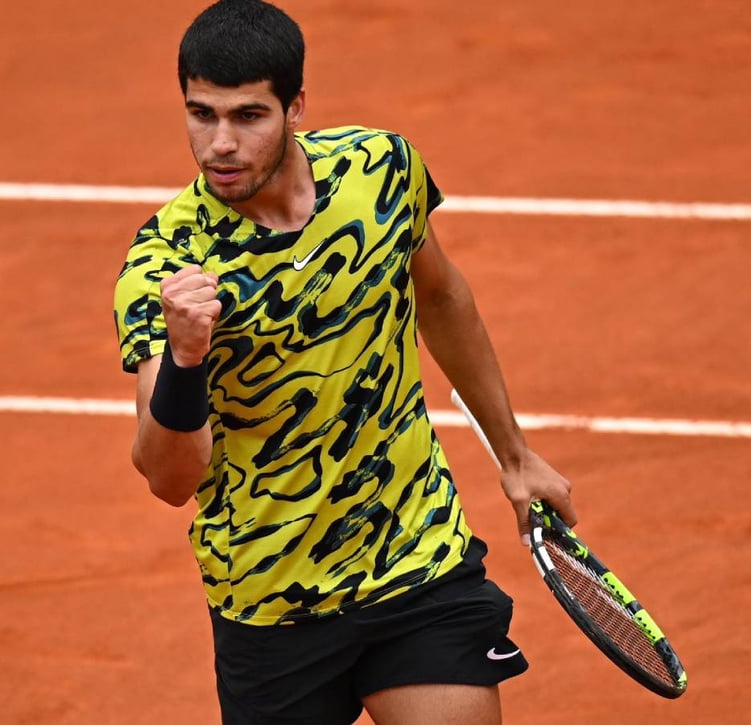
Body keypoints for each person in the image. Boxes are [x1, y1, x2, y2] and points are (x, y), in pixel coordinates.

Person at [112, 1, 577, 722]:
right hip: (272, 600)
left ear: (296, 106)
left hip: (415, 557)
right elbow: (170, 479)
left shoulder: (381, 171)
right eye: (201, 115)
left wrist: (515, 456)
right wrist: (184, 356)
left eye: (248, 116)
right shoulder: (166, 265)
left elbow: (442, 297)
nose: (220, 144)